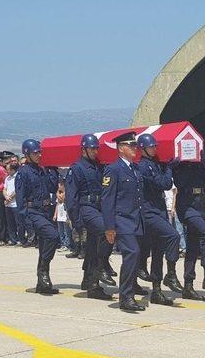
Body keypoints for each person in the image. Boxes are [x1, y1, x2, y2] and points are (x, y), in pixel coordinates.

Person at [135, 133, 184, 306]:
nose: (155, 149)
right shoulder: (144, 167)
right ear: (143, 149)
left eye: (155, 146)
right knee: (173, 236)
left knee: (158, 251)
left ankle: (156, 290)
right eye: (151, 147)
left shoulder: (154, 164)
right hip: (150, 212)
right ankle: (170, 274)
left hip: (158, 210)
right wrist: (169, 169)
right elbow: (165, 184)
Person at [65, 134, 115, 300]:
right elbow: (71, 198)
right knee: (105, 231)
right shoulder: (76, 168)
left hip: (99, 207)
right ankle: (100, 269)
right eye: (92, 148)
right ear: (84, 149)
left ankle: (90, 281)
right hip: (86, 207)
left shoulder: (99, 167)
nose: (95, 151)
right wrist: (76, 220)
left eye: (96, 148)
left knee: (93, 246)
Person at [101, 132, 146, 312]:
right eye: (131, 145)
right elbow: (107, 200)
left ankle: (129, 291)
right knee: (132, 253)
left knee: (135, 256)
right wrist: (109, 227)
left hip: (136, 220)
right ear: (121, 148)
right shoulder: (113, 169)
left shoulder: (135, 169)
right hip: (122, 220)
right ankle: (126, 297)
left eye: (135, 145)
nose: (135, 148)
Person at [172, 152, 205, 300]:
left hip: (199, 204)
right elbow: (178, 182)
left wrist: (202, 162)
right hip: (186, 205)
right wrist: (179, 162)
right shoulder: (179, 163)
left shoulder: (201, 161)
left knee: (193, 246)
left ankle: (188, 285)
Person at [15, 139, 60, 294]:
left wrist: (52, 168)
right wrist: (26, 222)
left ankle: (42, 283)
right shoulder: (23, 172)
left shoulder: (42, 170)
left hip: (46, 210)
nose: (39, 155)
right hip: (33, 211)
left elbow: (53, 187)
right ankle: (43, 271)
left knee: (44, 245)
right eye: (36, 153)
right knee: (53, 236)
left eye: (40, 152)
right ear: (27, 154)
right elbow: (20, 198)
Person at [53, 183, 72, 250]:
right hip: (59, 216)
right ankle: (63, 244)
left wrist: (58, 193)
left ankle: (67, 244)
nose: (59, 187)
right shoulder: (58, 195)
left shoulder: (66, 194)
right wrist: (55, 215)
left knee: (66, 231)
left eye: (60, 186)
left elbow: (63, 200)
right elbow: (57, 205)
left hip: (65, 216)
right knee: (60, 231)